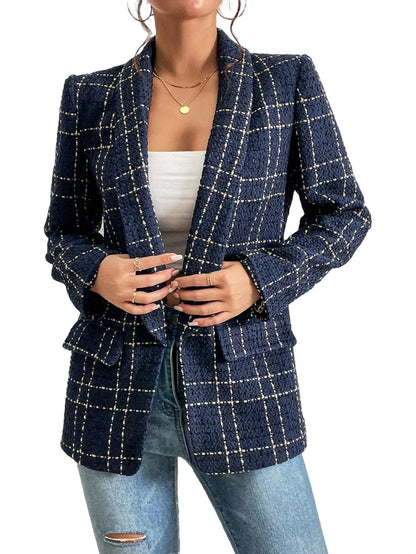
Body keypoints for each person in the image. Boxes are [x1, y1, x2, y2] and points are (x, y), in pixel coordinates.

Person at [44, 1, 372, 552]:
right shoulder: (91, 94)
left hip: (243, 376)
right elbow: (64, 231)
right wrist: (98, 270)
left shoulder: (285, 81)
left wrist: (260, 279)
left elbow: (345, 214)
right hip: (116, 383)